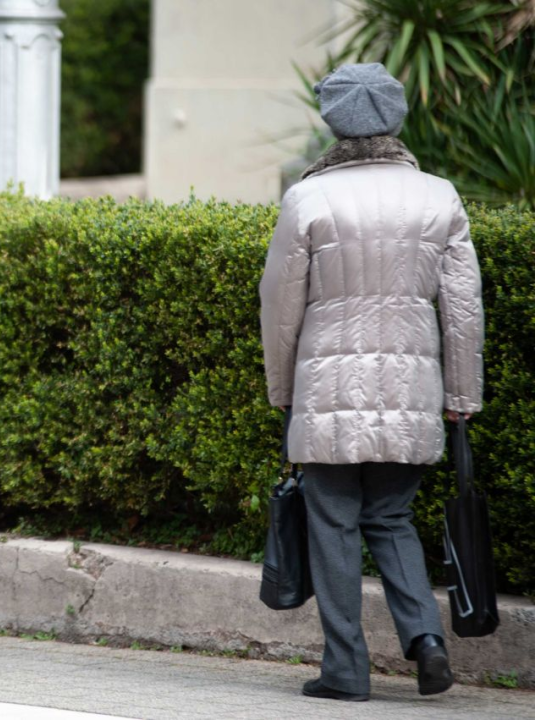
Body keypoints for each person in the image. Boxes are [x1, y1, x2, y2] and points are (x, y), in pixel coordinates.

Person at [260, 63, 484, 701]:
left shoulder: (308, 198)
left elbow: (279, 306)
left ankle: (345, 671)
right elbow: (464, 310)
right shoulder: (439, 195)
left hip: (327, 393)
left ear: (334, 121)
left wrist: (282, 390)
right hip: (412, 394)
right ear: (396, 115)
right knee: (391, 515)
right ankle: (427, 641)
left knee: (332, 522)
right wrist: (462, 397)